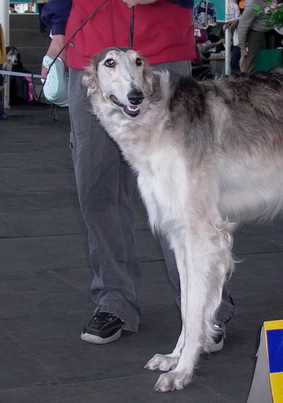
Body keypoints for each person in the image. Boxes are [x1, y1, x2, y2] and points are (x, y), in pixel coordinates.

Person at [41, 0, 234, 347]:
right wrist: (58, 29)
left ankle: (204, 305)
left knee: (183, 192)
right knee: (97, 185)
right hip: (91, 51)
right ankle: (114, 299)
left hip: (161, 52)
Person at [238, 0, 277, 73]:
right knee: (255, 66)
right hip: (256, 33)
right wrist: (242, 48)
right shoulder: (254, 3)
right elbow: (242, 25)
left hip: (270, 32)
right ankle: (251, 79)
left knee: (269, 66)